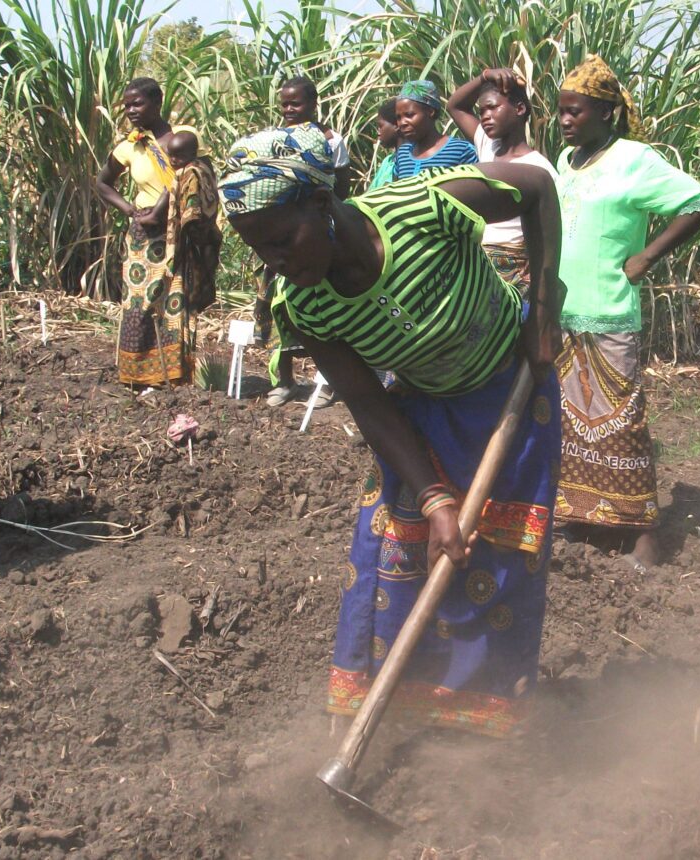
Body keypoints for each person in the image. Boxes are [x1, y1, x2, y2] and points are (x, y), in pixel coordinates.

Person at [218, 124, 564, 736]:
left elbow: (536, 187)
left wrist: (543, 310)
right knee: (391, 553)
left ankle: (481, 724)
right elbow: (368, 404)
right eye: (259, 250)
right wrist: (434, 499)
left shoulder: (424, 207)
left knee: (498, 558)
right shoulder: (307, 306)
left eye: (282, 240)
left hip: (511, 393)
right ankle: (387, 714)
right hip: (421, 414)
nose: (275, 261)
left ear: (322, 205)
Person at [554, 55, 700, 570]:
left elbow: (698, 201)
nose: (564, 120)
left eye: (575, 112)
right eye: (560, 111)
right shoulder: (565, 162)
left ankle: (643, 531)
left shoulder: (634, 158)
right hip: (563, 313)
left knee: (620, 423)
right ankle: (582, 516)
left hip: (608, 311)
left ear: (605, 112)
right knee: (571, 425)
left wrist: (645, 257)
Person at [96, 77, 201, 387]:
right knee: (139, 303)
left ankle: (174, 375)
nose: (131, 110)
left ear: (157, 103)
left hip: (178, 231)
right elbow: (102, 183)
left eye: (138, 103)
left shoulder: (183, 137)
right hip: (143, 237)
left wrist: (160, 210)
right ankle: (136, 375)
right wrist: (131, 210)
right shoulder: (129, 146)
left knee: (175, 302)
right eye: (127, 105)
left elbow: (188, 175)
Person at [258, 75, 351, 408]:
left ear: (313, 103)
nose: (288, 109)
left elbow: (342, 190)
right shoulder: (273, 139)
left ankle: (327, 384)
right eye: (284, 103)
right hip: (279, 236)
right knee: (278, 309)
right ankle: (283, 381)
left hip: (315, 236)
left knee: (322, 309)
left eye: (295, 103)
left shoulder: (331, 141)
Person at [447, 69, 558, 296]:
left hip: (515, 266)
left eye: (493, 107)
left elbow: (548, 236)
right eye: (481, 111)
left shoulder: (539, 169)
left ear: (519, 109)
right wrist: (485, 77)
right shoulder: (488, 147)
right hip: (478, 259)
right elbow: (454, 106)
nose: (485, 116)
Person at [160, 132, 222, 358]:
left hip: (192, 245)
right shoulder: (200, 169)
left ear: (192, 153)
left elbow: (192, 215)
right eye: (171, 156)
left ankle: (181, 357)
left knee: (184, 299)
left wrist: (182, 246)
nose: (174, 161)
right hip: (198, 243)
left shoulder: (192, 174)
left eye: (179, 156)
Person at [392, 79, 477, 181]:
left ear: (430, 111)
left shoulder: (460, 151)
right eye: (398, 117)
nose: (402, 123)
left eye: (409, 115)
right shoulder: (403, 154)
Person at [368, 98, 400, 191]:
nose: (378, 132)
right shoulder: (388, 161)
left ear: (396, 125)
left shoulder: (407, 163)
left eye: (380, 126)